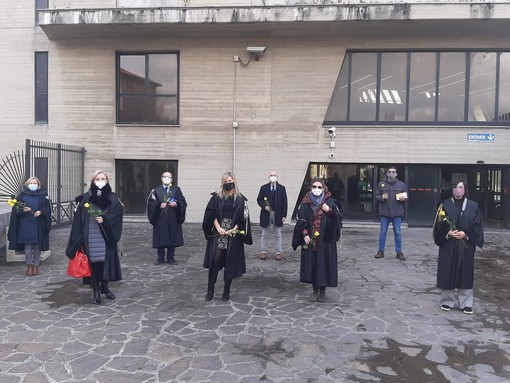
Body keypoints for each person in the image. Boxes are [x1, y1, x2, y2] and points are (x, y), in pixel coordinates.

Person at [66, 170, 124, 305]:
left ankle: (105, 287)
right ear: (93, 181)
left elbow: (118, 214)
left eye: (103, 179)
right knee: (93, 264)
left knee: (105, 262)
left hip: (105, 236)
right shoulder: (86, 197)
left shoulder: (113, 197)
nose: (100, 181)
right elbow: (79, 219)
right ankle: (96, 291)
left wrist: (105, 219)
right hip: (91, 236)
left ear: (107, 181)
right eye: (98, 179)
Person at [433, 181, 484, 315]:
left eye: (460, 187)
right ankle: (447, 301)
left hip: (465, 244)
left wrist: (465, 233)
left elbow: (477, 225)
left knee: (465, 272)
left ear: (465, 189)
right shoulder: (444, 205)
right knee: (447, 269)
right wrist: (447, 233)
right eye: (455, 187)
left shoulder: (473, 206)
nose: (457, 190)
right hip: (449, 244)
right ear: (452, 190)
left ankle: (466, 303)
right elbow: (438, 224)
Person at [202, 172, 252, 302]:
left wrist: (232, 230)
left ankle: (226, 290)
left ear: (234, 181)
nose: (228, 183)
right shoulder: (217, 197)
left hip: (232, 234)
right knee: (215, 261)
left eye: (230, 180)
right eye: (225, 181)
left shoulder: (240, 200)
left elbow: (242, 219)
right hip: (219, 234)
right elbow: (211, 214)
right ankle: (210, 289)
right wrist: (219, 228)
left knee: (230, 263)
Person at [292, 177, 343, 302]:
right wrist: (304, 234)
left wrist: (329, 211)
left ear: (324, 188)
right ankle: (315, 290)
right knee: (313, 265)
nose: (316, 189)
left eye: (319, 187)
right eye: (314, 187)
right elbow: (301, 220)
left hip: (325, 241)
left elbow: (338, 219)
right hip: (310, 241)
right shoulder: (305, 203)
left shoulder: (330, 202)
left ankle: (323, 291)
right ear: (310, 188)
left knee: (323, 264)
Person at [7, 177, 51, 276]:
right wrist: (23, 210)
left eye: (35, 183)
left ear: (38, 185)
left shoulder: (43, 195)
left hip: (38, 224)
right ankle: (29, 266)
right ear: (27, 184)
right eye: (31, 183)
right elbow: (16, 211)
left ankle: (36, 265)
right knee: (27, 246)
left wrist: (41, 211)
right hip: (25, 224)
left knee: (37, 247)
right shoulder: (22, 195)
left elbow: (48, 208)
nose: (33, 185)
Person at [146, 171, 187, 265]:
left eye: (169, 177)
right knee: (161, 237)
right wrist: (159, 206)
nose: (166, 178)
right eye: (165, 176)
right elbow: (151, 204)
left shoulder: (177, 190)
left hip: (173, 217)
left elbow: (183, 202)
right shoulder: (156, 190)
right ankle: (160, 258)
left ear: (172, 179)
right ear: (161, 178)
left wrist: (177, 204)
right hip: (160, 218)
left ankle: (171, 257)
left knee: (172, 236)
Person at [374, 166, 408, 260]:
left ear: (396, 174)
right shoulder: (381, 184)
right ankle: (381, 251)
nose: (391, 173)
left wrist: (403, 199)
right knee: (383, 232)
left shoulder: (401, 185)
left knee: (398, 233)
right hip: (385, 213)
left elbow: (405, 197)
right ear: (387, 173)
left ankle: (399, 252)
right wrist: (381, 197)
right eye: (389, 172)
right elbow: (376, 195)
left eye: (393, 172)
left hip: (397, 213)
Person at [256, 170, 288, 260]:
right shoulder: (264, 188)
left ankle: (279, 252)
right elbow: (259, 199)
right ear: (269, 177)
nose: (273, 177)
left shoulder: (282, 188)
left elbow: (284, 202)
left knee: (278, 234)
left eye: (274, 175)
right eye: (271, 175)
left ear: (277, 177)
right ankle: (263, 251)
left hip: (277, 213)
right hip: (266, 213)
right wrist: (264, 206)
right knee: (264, 233)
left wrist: (284, 215)